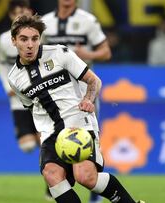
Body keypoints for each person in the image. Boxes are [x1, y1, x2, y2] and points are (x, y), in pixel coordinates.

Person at [8, 14, 144, 203]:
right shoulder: (14, 78)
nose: (30, 45)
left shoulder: (59, 53)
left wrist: (88, 99)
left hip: (79, 124)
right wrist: (41, 131)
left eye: (35, 38)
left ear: (40, 39)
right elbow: (31, 107)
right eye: (24, 39)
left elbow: (93, 81)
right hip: (51, 133)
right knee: (51, 175)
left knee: (86, 177)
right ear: (14, 41)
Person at [41, 1, 112, 202]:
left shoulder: (87, 21)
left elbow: (106, 52)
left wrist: (86, 55)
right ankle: (58, 179)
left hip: (83, 92)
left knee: (87, 138)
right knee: (50, 138)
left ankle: (93, 184)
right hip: (54, 94)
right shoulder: (45, 22)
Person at [0, 0, 52, 200]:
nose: (20, 16)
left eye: (24, 12)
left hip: (39, 98)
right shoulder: (4, 40)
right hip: (17, 100)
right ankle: (54, 164)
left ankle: (52, 181)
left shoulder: (39, 37)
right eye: (16, 12)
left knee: (44, 142)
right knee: (28, 145)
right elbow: (1, 64)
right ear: (11, 15)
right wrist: (7, 86)